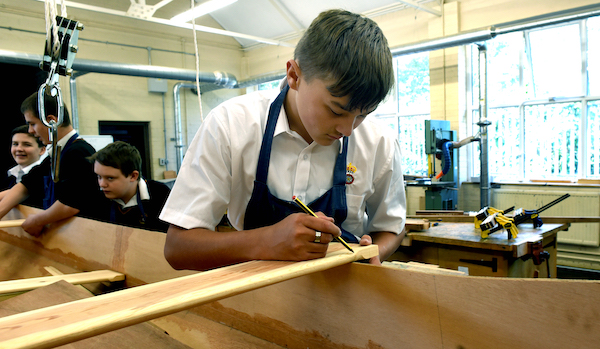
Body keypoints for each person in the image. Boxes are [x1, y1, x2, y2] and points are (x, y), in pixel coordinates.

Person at [160, 9, 406, 271]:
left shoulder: (380, 142)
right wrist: (267, 241)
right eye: (336, 111)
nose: (348, 130)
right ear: (294, 75)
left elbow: (391, 229)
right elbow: (178, 248)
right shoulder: (230, 125)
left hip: (343, 296)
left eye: (363, 115)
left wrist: (372, 251)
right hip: (257, 298)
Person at [0, 91, 103, 236]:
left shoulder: (78, 151)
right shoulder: (56, 153)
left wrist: (38, 220)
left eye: (32, 124)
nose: (31, 131)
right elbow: (26, 185)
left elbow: (71, 203)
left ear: (51, 120)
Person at [88, 141, 171, 232]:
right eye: (99, 177)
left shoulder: (161, 195)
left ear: (133, 176)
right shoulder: (97, 198)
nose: (102, 184)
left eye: (110, 178)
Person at [2, 125, 46, 191]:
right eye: (15, 144)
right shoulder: (10, 176)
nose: (18, 149)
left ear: (42, 150)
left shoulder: (44, 178)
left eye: (27, 144)